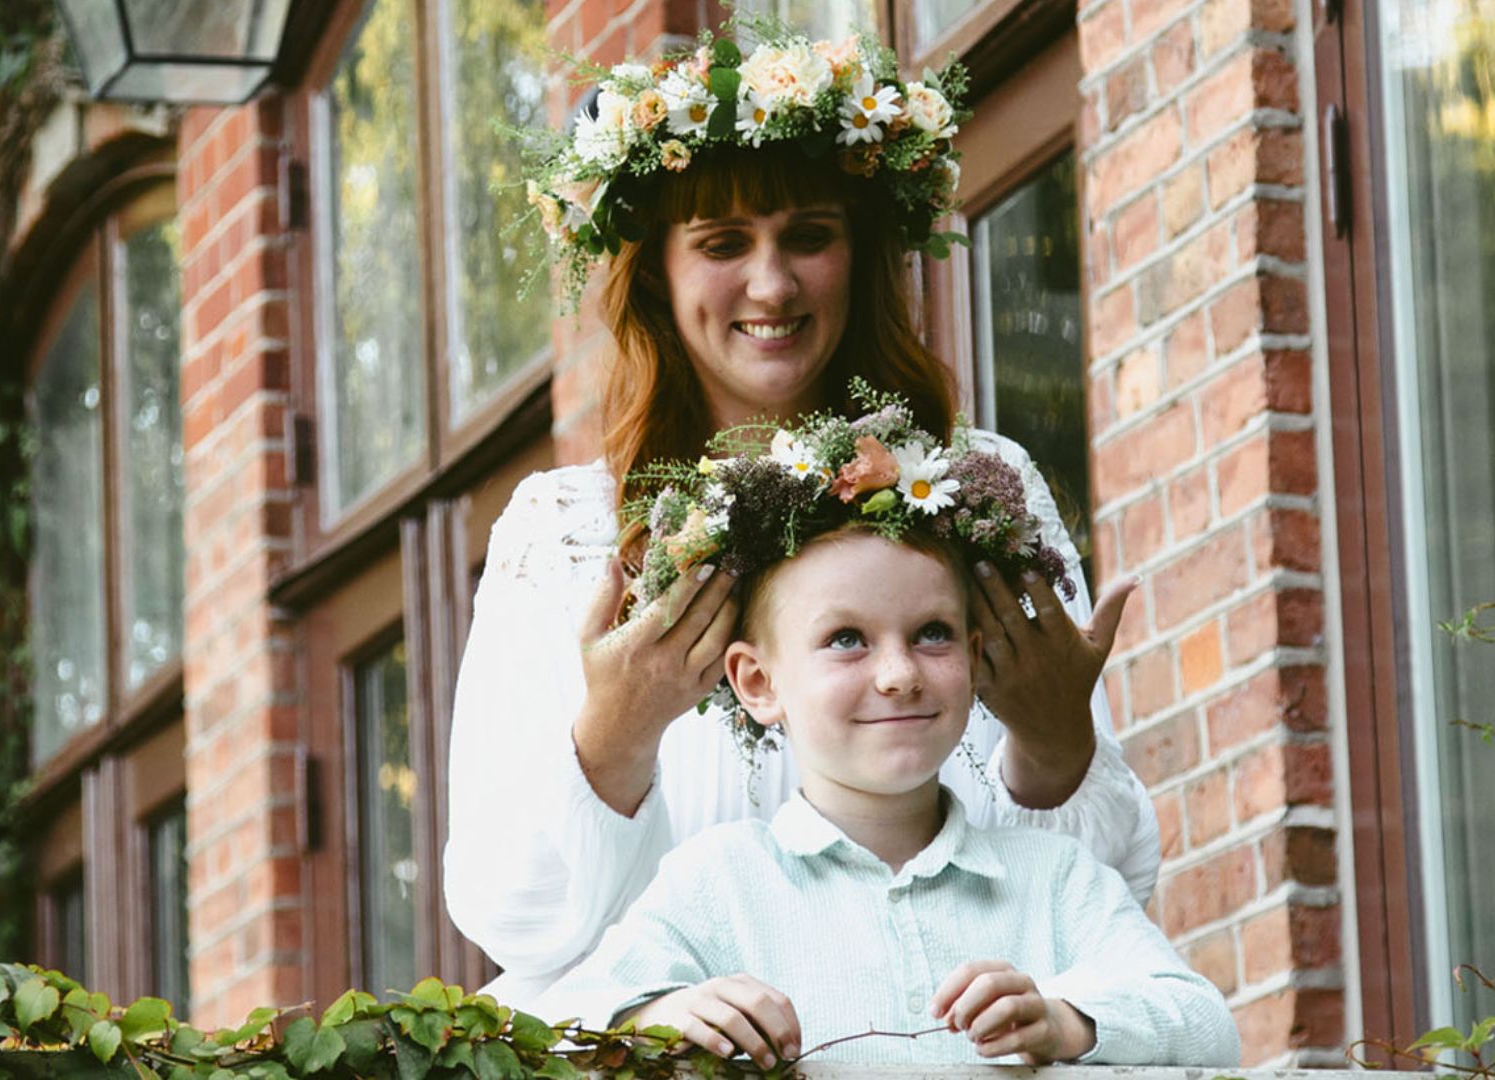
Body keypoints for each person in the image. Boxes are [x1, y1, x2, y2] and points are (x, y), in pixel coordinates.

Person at [444, 23, 1158, 1003]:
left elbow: (1102, 904)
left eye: (809, 237)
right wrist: (614, 736)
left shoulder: (973, 489)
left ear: (858, 253)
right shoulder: (567, 537)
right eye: (724, 243)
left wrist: (1053, 745)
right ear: (656, 270)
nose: (772, 284)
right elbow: (513, 923)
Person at [532, 515, 1239, 1068]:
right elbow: (553, 1032)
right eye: (847, 639)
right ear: (757, 681)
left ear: (973, 656)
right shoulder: (719, 882)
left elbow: (1207, 1026)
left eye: (932, 633)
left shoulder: (1052, 880)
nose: (900, 674)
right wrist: (657, 1017)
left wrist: (1064, 1021)